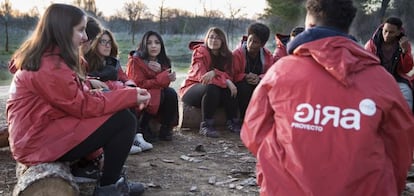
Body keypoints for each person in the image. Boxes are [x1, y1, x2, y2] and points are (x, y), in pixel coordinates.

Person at [240, 0, 414, 195]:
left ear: (310, 26)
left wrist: (277, 174)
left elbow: (253, 133)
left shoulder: (281, 72)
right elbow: (401, 150)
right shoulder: (383, 82)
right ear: (346, 26)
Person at [6, 3, 151, 195]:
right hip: (37, 143)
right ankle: (110, 187)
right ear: (62, 31)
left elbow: (78, 97)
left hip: (39, 134)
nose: (85, 37)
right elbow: (82, 105)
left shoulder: (51, 58)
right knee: (123, 121)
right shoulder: (50, 66)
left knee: (118, 112)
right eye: (81, 30)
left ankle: (96, 169)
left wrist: (124, 93)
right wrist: (129, 96)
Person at [179, 27, 239, 138]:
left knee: (230, 88)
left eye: (217, 38)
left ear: (222, 41)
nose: (214, 40)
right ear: (207, 39)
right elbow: (203, 77)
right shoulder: (200, 52)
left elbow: (230, 76)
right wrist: (223, 78)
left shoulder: (228, 56)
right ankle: (206, 125)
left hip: (214, 94)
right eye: (211, 37)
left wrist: (217, 74)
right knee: (212, 87)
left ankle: (232, 121)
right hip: (192, 90)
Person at [126, 30, 178, 142]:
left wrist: (162, 72)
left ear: (161, 45)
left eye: (157, 42)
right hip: (140, 99)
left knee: (170, 93)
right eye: (149, 43)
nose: (153, 46)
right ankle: (143, 126)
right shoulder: (136, 61)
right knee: (156, 92)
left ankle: (166, 128)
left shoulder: (163, 61)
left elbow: (164, 84)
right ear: (144, 45)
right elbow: (138, 84)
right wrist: (161, 77)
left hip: (157, 100)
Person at [365, 16, 414, 111]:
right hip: (376, 78)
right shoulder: (372, 44)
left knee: (407, 93)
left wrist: (404, 52)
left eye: (391, 32)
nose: (387, 35)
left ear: (398, 32)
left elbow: (406, 69)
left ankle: (405, 122)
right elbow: (366, 66)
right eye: (385, 31)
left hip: (397, 79)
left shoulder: (404, 45)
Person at [233, 22, 275, 122]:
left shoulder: (267, 56)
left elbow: (271, 75)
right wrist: (245, 76)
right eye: (249, 40)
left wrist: (259, 78)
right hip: (240, 87)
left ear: (262, 44)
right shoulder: (237, 54)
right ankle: (243, 119)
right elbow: (232, 74)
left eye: (255, 42)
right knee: (244, 88)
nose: (251, 44)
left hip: (257, 84)